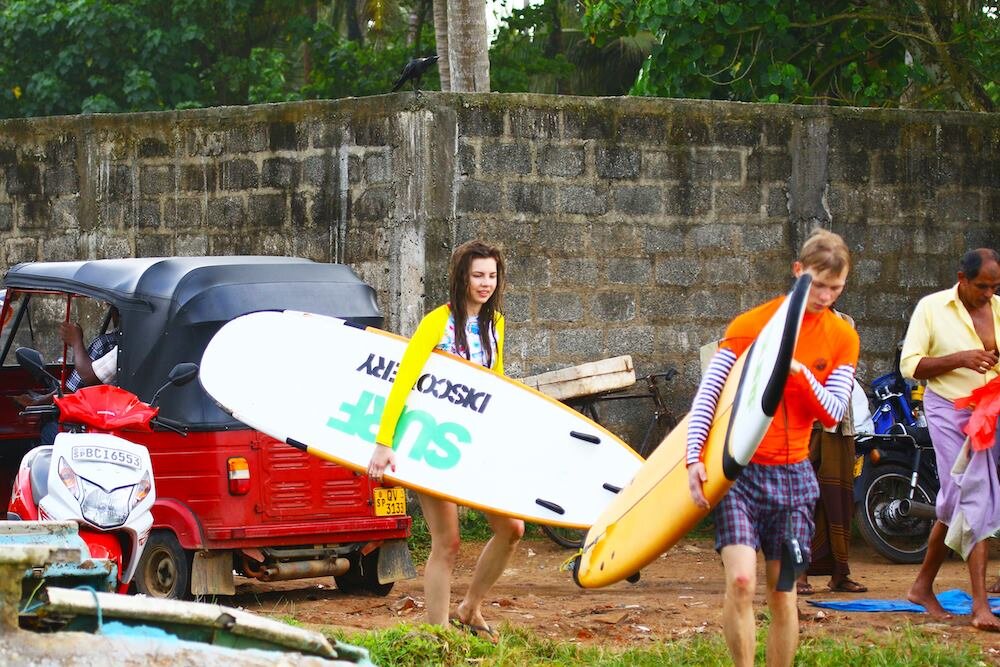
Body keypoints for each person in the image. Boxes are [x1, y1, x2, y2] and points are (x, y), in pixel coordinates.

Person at [686, 228, 859, 667]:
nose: (824, 295)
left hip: (794, 477)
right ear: (798, 272)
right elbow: (709, 396)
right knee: (742, 581)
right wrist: (693, 458)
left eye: (835, 288)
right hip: (740, 474)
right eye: (817, 284)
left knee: (783, 593)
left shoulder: (842, 337)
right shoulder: (749, 326)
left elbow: (833, 413)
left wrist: (799, 373)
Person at [366, 240, 522, 643]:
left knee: (513, 528)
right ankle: (438, 638)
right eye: (477, 275)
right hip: (432, 442)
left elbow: (496, 386)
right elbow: (402, 380)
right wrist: (385, 441)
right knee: (448, 542)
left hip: (475, 445)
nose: (485, 283)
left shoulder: (496, 324)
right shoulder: (438, 321)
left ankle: (470, 607)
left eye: (491, 275)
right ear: (462, 277)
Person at [902, 248, 1000, 632]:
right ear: (962, 278)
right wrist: (960, 358)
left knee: (954, 499)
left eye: (995, 286)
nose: (988, 293)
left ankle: (922, 586)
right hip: (947, 410)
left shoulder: (998, 308)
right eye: (981, 286)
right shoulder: (931, 308)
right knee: (976, 494)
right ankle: (979, 605)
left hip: (989, 410)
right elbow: (910, 366)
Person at [796, 310, 867, 596]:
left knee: (839, 501)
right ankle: (799, 575)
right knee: (803, 499)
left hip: (839, 426)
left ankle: (840, 573)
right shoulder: (791, 321)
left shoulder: (846, 322)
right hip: (803, 425)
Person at [13, 306, 121, 444]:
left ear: (115, 313)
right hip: (121, 419)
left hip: (100, 424)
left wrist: (76, 342)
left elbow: (73, 388)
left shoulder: (106, 343)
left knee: (49, 430)